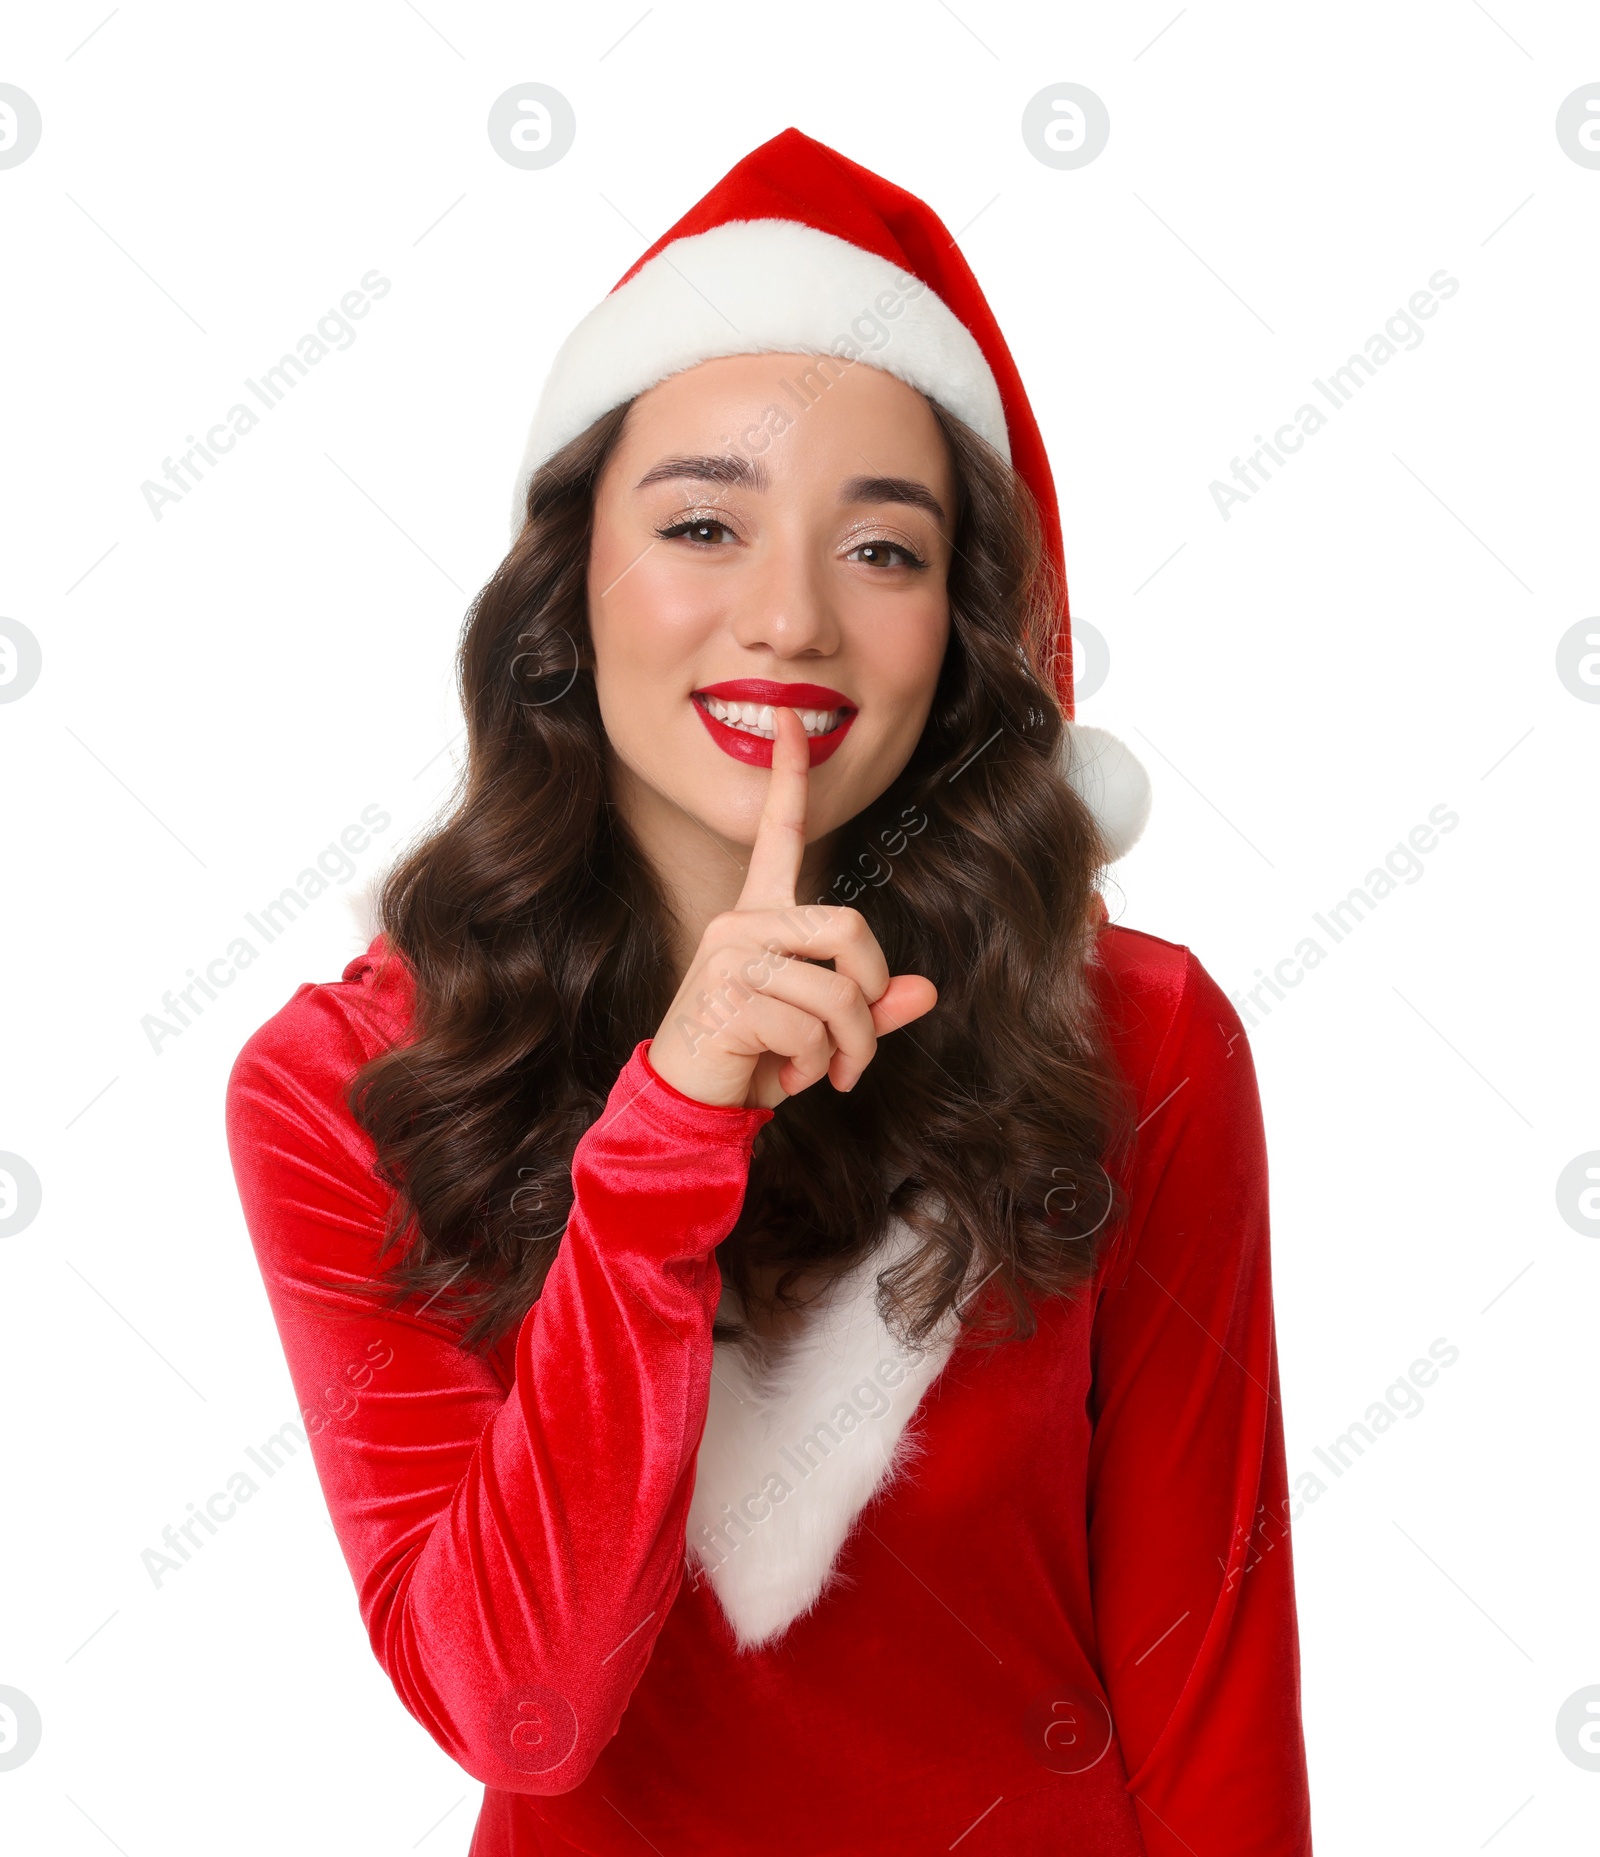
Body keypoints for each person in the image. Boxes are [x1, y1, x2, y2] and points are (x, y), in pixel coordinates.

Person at [226, 129, 1312, 1855]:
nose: (789, 616)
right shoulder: (353, 1073)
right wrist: (671, 1127)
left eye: (882, 551)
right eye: (705, 523)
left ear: (958, 621)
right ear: (569, 588)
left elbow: (1210, 1663)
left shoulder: (1139, 1035)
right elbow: (522, 1697)